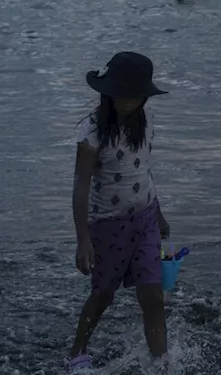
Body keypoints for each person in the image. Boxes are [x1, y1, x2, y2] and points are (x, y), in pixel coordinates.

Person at [66, 52, 170, 371]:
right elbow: (81, 186)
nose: (127, 102)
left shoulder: (147, 118)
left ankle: (161, 361)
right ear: (107, 92)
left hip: (146, 217)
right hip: (108, 224)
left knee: (153, 297)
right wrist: (83, 239)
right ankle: (77, 353)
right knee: (103, 295)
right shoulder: (92, 130)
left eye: (134, 96)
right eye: (120, 95)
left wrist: (160, 213)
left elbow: (145, 170)